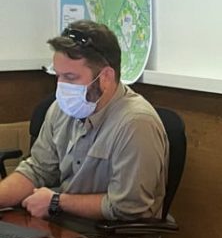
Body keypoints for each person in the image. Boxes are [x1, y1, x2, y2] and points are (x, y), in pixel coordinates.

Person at [0, 21, 168, 226]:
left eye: (70, 77)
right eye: (58, 75)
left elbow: (127, 207)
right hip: (60, 229)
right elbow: (37, 170)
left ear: (105, 77)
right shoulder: (61, 109)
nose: (61, 86)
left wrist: (57, 202)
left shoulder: (136, 124)